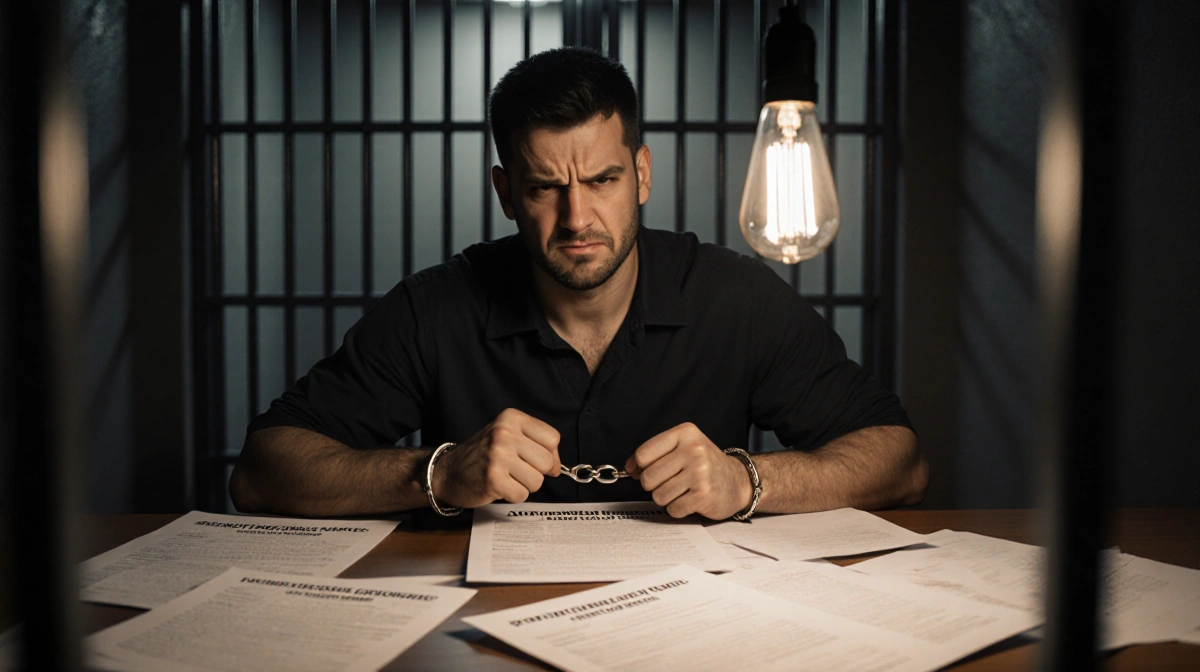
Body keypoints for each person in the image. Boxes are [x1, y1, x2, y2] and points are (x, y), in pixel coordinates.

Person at [230, 47, 927, 522]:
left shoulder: (735, 298)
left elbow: (900, 462)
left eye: (603, 180)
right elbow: (260, 473)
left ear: (643, 175)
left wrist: (748, 482)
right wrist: (437, 474)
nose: (577, 218)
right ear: (506, 193)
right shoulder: (436, 307)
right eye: (544, 188)